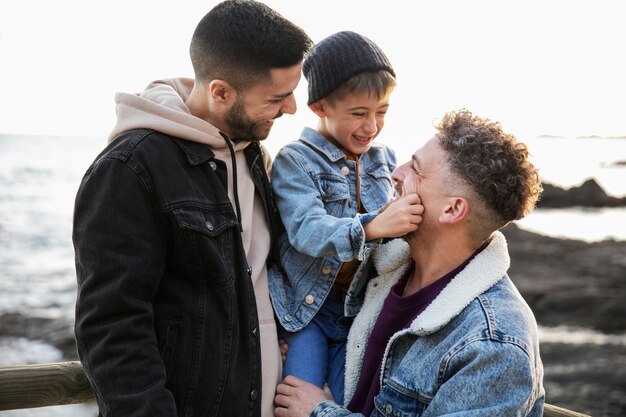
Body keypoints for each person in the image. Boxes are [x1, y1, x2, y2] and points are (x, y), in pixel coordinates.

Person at [72, 1, 312, 416]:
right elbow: (112, 327)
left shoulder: (256, 156)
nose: (292, 107)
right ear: (221, 91)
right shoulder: (130, 168)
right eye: (279, 96)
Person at [274, 109, 545, 416]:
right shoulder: (378, 271)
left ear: (452, 209)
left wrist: (319, 412)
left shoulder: (493, 346)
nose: (395, 173)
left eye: (415, 169)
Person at [268, 31, 423, 405]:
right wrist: (372, 226)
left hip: (358, 315)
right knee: (295, 397)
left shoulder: (383, 160)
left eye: (381, 112)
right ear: (320, 107)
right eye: (358, 113)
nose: (371, 126)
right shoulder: (296, 161)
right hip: (306, 313)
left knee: (350, 403)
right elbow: (307, 230)